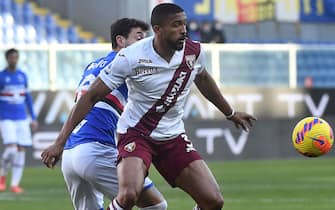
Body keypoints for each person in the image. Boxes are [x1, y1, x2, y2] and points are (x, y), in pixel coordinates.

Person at [42, 3, 257, 210]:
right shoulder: (131, 57)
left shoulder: (193, 52)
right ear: (158, 30)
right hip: (136, 134)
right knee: (128, 195)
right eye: (176, 25)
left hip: (172, 137)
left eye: (184, 24)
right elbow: (89, 97)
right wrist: (59, 142)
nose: (183, 30)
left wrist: (230, 113)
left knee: (213, 201)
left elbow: (203, 79)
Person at [41, 18, 167, 210]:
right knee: (155, 205)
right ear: (121, 41)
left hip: (70, 154)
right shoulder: (128, 65)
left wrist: (59, 143)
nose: (144, 43)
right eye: (139, 37)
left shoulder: (93, 65)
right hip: (96, 149)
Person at [0, 48, 38, 194]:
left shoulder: (22, 76)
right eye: (11, 57)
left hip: (22, 118)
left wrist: (33, 118)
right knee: (11, 149)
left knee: (21, 150)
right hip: (6, 118)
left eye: (15, 57)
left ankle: (15, 184)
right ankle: (3, 176)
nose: (13, 60)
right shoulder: (2, 77)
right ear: (7, 59)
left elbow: (27, 98)